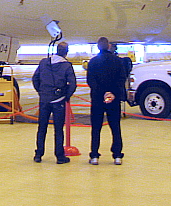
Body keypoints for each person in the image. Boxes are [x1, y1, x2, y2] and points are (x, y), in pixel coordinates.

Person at [32, 41, 77, 164]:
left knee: (42, 128)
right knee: (58, 129)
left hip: (44, 100)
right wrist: (66, 96)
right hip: (59, 101)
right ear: (66, 52)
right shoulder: (67, 66)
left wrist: (41, 92)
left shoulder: (43, 62)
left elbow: (35, 78)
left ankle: (38, 154)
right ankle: (59, 156)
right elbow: (73, 84)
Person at [87, 36, 128, 165]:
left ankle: (94, 155)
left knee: (96, 128)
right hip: (113, 99)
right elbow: (122, 78)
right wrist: (112, 93)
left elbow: (91, 81)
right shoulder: (117, 61)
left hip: (97, 99)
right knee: (115, 127)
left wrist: (101, 93)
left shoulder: (93, 62)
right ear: (109, 46)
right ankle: (117, 156)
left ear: (98, 47)